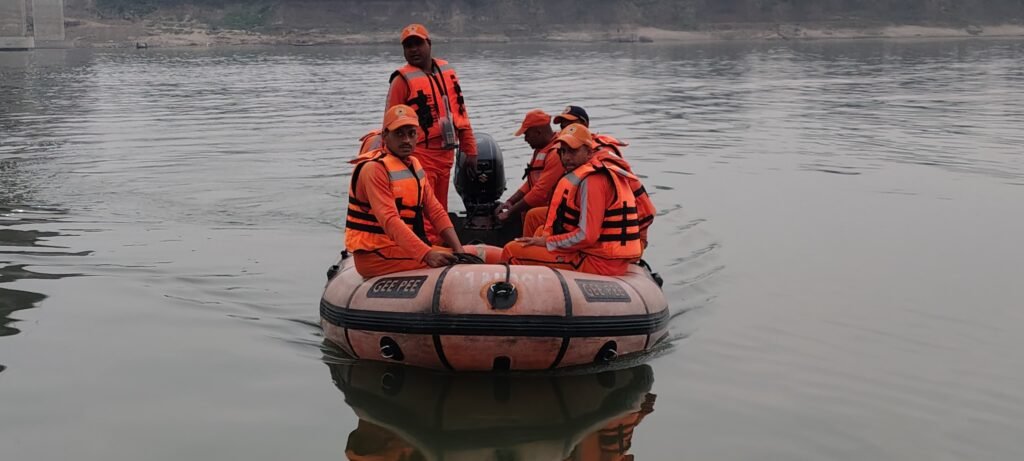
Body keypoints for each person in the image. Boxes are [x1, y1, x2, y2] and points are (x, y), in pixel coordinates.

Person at [501, 124, 656, 276]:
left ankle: (514, 293)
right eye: (563, 152)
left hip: (598, 261)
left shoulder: (592, 180)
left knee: (511, 251)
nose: (566, 157)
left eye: (573, 151)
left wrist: (548, 242)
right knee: (539, 231)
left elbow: (586, 236)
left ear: (589, 152)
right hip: (599, 254)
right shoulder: (591, 173)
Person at [345, 104, 467, 278]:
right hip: (376, 255)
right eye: (399, 134)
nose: (406, 140)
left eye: (411, 134)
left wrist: (459, 249)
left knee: (476, 253)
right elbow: (390, 220)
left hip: (399, 249)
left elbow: (436, 211)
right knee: (454, 265)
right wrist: (427, 254)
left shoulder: (413, 165)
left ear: (418, 135)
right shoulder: (374, 169)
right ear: (385, 135)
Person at [386, 23, 477, 211]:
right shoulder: (400, 81)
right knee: (424, 208)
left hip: (446, 154)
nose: (413, 50)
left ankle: (438, 240)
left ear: (429, 44)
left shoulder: (447, 72)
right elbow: (389, 125)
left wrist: (471, 149)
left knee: (439, 207)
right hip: (419, 154)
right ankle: (428, 240)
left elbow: (461, 114)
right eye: (408, 46)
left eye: (418, 44)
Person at [494, 109, 562, 228]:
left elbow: (539, 192)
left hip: (554, 213)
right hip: (537, 210)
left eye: (527, 134)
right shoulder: (540, 149)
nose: (525, 139)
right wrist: (510, 202)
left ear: (538, 132)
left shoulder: (556, 153)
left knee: (530, 215)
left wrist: (510, 212)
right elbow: (531, 184)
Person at [553, 105, 629, 156]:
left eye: (571, 126)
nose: (567, 130)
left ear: (585, 124)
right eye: (563, 127)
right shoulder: (558, 146)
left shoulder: (601, 150)